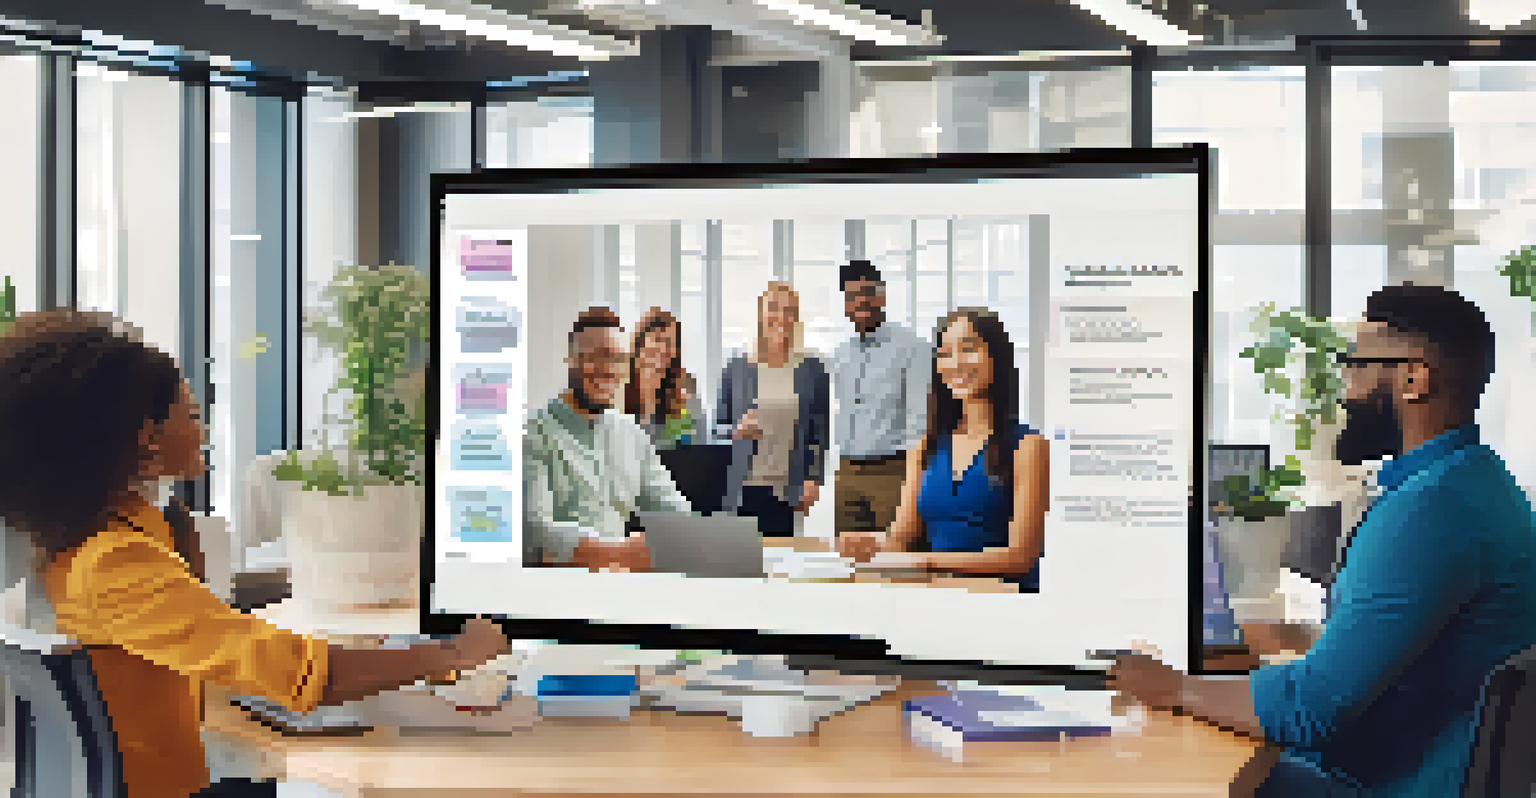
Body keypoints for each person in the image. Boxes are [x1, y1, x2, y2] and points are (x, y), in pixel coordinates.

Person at [0, 309, 507, 798]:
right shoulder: (114, 565)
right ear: (146, 442)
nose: (203, 427)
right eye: (192, 412)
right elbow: (303, 675)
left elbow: (209, 643)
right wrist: (457, 653)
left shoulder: (94, 537)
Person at [1107, 284, 1536, 798]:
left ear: (1414, 377)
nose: (1344, 387)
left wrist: (1171, 687)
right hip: (1396, 769)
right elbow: (1411, 653)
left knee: (1159, 764)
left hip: (1377, 786)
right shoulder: (1476, 483)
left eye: (1354, 365)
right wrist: (1300, 640)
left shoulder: (1435, 507)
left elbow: (1311, 711)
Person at [838, 308, 1047, 590]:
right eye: (946, 353)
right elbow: (902, 537)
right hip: (936, 599)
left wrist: (928, 561)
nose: (956, 362)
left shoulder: (1028, 446)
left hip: (1002, 603)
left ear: (996, 358)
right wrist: (873, 543)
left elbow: (1020, 556)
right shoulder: (926, 446)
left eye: (968, 348)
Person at [524, 306, 692, 569]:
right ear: (571, 360)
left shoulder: (632, 435)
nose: (608, 370)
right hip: (558, 597)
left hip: (618, 592)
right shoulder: (535, 432)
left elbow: (676, 512)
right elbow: (534, 530)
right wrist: (618, 553)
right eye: (597, 357)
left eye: (617, 359)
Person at [829, 260, 932, 545]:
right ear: (845, 305)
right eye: (851, 296)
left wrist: (914, 480)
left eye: (867, 292)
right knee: (848, 562)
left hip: (893, 472)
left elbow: (920, 422)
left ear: (882, 295)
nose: (860, 301)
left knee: (895, 561)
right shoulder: (840, 354)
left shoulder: (913, 348)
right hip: (847, 471)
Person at [715, 281, 829, 537]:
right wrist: (737, 430)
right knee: (741, 568)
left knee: (783, 566)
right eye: (774, 308)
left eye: (790, 310)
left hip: (787, 489)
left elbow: (818, 433)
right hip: (741, 486)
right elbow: (717, 428)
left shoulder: (812, 369)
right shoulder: (737, 367)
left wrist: (813, 479)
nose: (781, 317)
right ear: (761, 315)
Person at [625, 307, 701, 451]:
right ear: (640, 343)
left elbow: (694, 442)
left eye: (670, 343)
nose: (663, 348)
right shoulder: (619, 383)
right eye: (657, 339)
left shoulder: (685, 385)